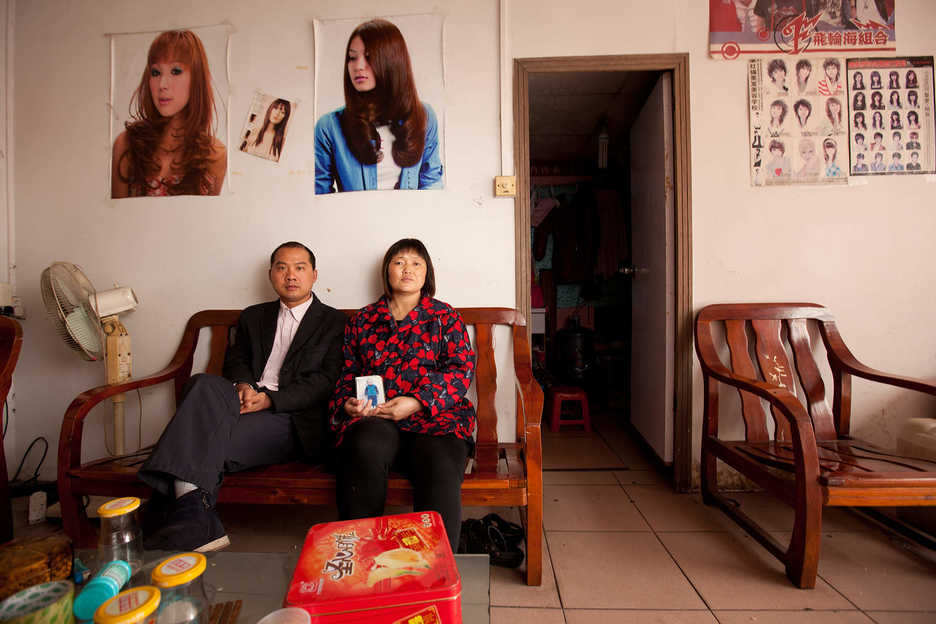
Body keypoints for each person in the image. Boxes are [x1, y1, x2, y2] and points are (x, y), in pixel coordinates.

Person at [139, 242, 347, 551]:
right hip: (240, 402)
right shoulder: (253, 317)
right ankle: (195, 518)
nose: (290, 275)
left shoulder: (335, 323)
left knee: (203, 438)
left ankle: (180, 511)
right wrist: (243, 386)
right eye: (282, 267)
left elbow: (325, 382)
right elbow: (236, 361)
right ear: (270, 274)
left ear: (314, 275)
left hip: (288, 416)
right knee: (202, 383)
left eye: (299, 268)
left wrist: (270, 400)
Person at [330, 238, 476, 552]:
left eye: (416, 263)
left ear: (427, 274)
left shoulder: (444, 317)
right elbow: (347, 371)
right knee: (363, 446)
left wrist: (417, 401)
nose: (406, 269)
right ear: (387, 271)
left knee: (440, 462)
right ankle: (358, 555)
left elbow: (461, 369)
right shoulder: (363, 320)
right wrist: (349, 402)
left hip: (435, 418)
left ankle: (436, 567)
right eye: (398, 262)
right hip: (378, 416)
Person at [315, 19, 442, 194]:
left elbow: (432, 184)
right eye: (352, 58)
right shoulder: (329, 127)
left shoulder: (424, 116)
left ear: (392, 60)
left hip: (412, 220)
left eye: (369, 57)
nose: (358, 66)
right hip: (352, 221)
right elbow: (319, 197)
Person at [112, 30, 226, 198]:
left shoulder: (215, 155)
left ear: (196, 78)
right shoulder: (127, 144)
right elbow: (114, 220)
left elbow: (206, 223)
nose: (162, 85)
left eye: (176, 71)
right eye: (156, 73)